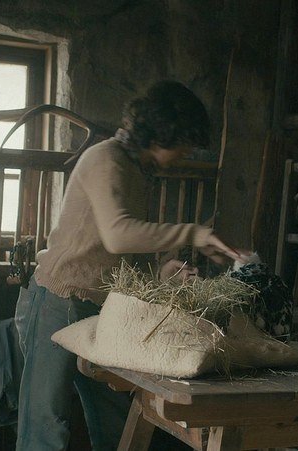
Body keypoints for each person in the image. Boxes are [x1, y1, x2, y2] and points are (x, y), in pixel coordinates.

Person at [14, 80, 240, 451]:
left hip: (104, 307)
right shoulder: (105, 158)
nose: (186, 153)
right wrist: (193, 233)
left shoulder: (137, 170)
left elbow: (121, 254)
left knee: (116, 420)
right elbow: (118, 235)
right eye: (185, 143)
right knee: (46, 423)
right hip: (60, 299)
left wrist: (160, 276)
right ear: (164, 133)